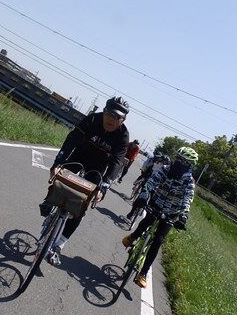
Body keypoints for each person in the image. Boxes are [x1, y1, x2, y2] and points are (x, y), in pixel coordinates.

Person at [39, 96, 130, 266]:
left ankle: (58, 246)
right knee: (61, 178)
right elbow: (72, 138)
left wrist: (104, 187)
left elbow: (116, 163)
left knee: (81, 206)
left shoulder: (123, 136)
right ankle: (49, 201)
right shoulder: (92, 119)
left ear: (122, 120)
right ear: (104, 111)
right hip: (79, 155)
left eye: (117, 117)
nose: (111, 119)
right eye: (109, 114)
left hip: (97, 167)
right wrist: (58, 162)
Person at [121, 146, 198, 288]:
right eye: (178, 158)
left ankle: (143, 273)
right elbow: (152, 181)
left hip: (171, 212)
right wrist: (145, 193)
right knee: (146, 222)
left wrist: (183, 215)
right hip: (157, 203)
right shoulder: (166, 169)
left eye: (183, 161)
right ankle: (133, 237)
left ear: (189, 165)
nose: (178, 162)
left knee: (158, 241)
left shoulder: (189, 181)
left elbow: (188, 198)